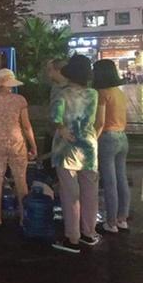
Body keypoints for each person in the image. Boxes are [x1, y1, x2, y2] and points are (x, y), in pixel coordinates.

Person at [50, 55, 100, 254]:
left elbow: (55, 118)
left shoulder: (62, 94)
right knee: (90, 192)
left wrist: (61, 128)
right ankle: (89, 233)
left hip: (67, 147)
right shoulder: (93, 94)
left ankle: (72, 238)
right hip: (88, 147)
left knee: (70, 194)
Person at [0, 69, 37, 226]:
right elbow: (26, 126)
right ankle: (23, 217)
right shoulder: (19, 100)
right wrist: (33, 146)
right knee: (20, 180)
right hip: (16, 143)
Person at [93, 59, 129, 234]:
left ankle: (111, 222)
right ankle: (122, 219)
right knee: (121, 178)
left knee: (109, 181)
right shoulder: (119, 93)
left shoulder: (102, 93)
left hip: (107, 138)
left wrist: (93, 139)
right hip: (122, 137)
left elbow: (100, 122)